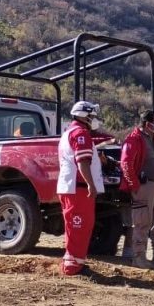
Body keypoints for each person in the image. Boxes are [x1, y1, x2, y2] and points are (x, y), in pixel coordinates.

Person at [56, 100, 106, 276]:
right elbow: (82, 162)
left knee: (77, 226)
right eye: (92, 115)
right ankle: (72, 267)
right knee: (79, 226)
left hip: (72, 187)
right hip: (78, 188)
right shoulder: (80, 133)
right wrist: (91, 185)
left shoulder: (70, 132)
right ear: (84, 115)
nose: (94, 119)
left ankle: (75, 263)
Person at [120, 109, 154, 269]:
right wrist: (134, 185)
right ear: (148, 124)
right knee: (142, 222)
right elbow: (126, 163)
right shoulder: (134, 139)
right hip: (144, 186)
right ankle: (139, 257)